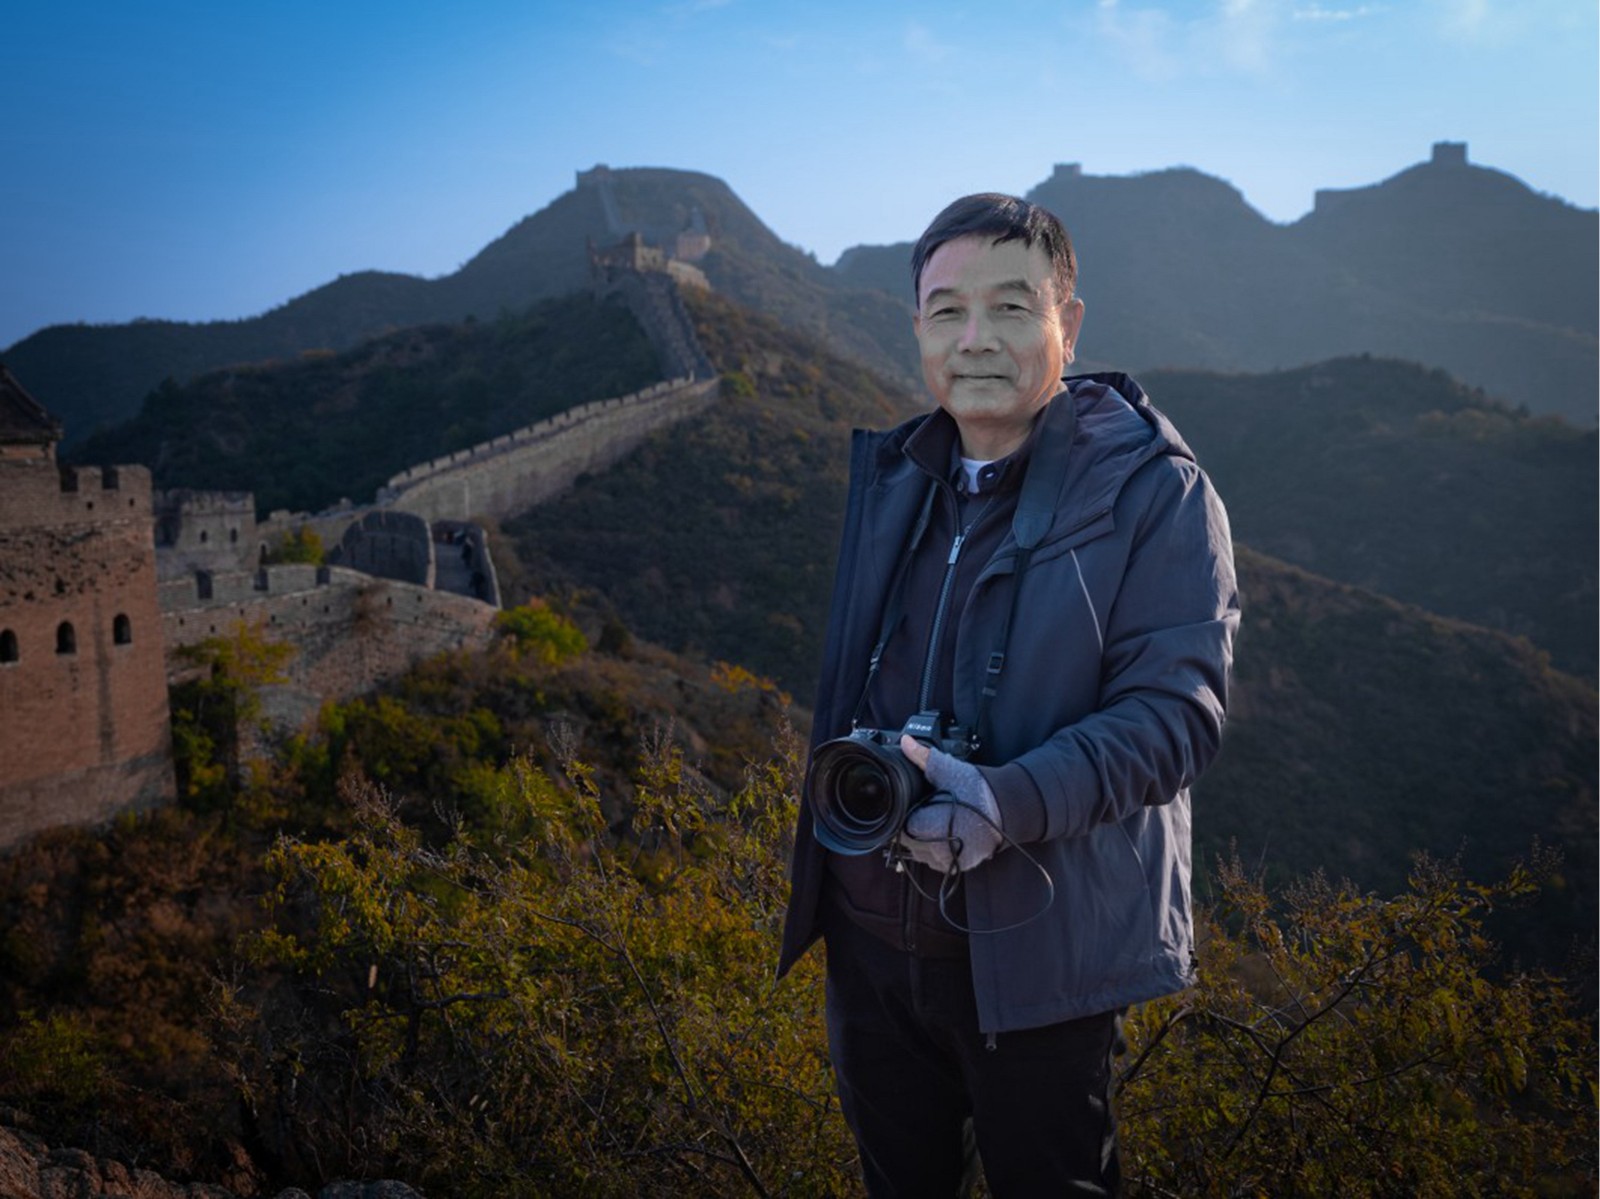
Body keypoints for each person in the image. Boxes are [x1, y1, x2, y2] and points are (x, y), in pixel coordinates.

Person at [777, 193, 1239, 1196]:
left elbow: (1176, 715)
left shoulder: (1152, 490)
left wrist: (1004, 800)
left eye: (1011, 307)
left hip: (1038, 958)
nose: (975, 338)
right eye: (947, 311)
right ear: (916, 328)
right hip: (869, 944)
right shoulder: (899, 474)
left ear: (1069, 322)